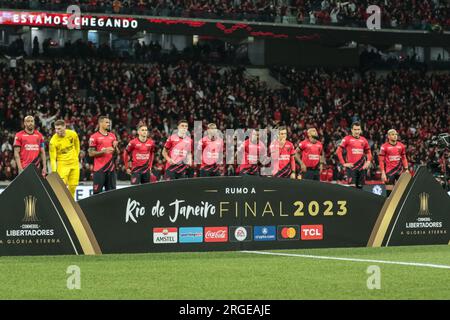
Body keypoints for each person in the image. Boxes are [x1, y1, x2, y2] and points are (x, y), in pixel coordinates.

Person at [49, 120, 80, 197]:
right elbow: (52, 158)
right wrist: (54, 171)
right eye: (56, 129)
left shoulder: (73, 134)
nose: (57, 131)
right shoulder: (53, 141)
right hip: (62, 165)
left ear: (64, 127)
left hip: (74, 164)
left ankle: (71, 204)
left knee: (73, 187)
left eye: (59, 129)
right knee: (62, 186)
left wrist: (76, 156)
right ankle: (61, 204)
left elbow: (77, 146)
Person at [88, 116, 119, 194]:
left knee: (112, 194)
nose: (109, 124)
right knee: (97, 194)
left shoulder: (112, 136)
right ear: (100, 123)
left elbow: (117, 153)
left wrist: (115, 147)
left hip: (111, 170)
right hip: (99, 170)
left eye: (109, 122)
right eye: (107, 122)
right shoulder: (94, 137)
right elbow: (90, 153)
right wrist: (103, 151)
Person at [336, 122, 372, 188]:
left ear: (361, 130)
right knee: (352, 190)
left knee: (361, 189)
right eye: (355, 129)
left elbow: (369, 152)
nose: (357, 131)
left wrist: (368, 161)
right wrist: (344, 164)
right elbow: (338, 151)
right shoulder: (346, 139)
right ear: (351, 130)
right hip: (351, 168)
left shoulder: (364, 140)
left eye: (358, 129)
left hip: (362, 168)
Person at [379, 129, 408, 194]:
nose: (395, 136)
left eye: (396, 134)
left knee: (402, 191)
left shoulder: (401, 146)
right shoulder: (384, 147)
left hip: (400, 171)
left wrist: (406, 168)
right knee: (389, 192)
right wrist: (383, 173)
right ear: (388, 136)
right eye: (393, 134)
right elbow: (381, 161)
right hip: (389, 172)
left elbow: (404, 158)